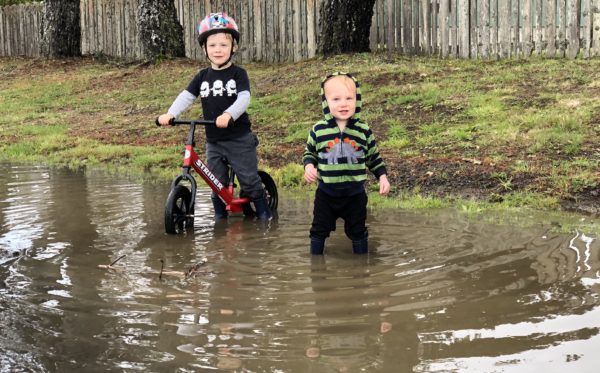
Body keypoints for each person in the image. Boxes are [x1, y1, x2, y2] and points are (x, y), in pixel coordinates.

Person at [157, 12, 271, 220]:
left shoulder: (238, 74)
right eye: (212, 45)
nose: (218, 50)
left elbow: (244, 98)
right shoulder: (202, 76)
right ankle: (220, 219)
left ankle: (265, 214)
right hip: (214, 140)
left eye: (223, 45)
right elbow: (186, 96)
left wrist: (229, 114)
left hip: (238, 138)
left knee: (248, 180)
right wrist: (170, 113)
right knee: (215, 181)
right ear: (204, 49)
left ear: (233, 47)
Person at [302, 72, 390, 255]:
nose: (343, 103)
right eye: (336, 99)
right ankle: (316, 266)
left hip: (355, 195)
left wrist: (382, 177)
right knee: (318, 230)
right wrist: (309, 166)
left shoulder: (363, 131)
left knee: (358, 231)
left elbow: (374, 158)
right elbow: (309, 152)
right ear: (326, 102)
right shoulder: (318, 130)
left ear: (357, 100)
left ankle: (361, 266)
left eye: (349, 98)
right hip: (326, 194)